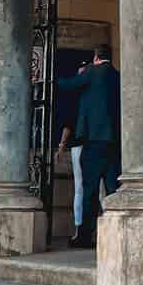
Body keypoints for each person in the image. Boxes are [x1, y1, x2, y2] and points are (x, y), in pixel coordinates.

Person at [58, 44, 121, 248]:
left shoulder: (92, 73)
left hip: (93, 141)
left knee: (89, 190)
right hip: (114, 141)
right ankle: (116, 232)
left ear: (96, 57)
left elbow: (67, 85)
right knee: (113, 188)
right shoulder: (117, 75)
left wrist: (47, 79)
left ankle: (85, 236)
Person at [56, 62, 87, 243]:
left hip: (82, 145)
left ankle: (81, 229)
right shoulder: (82, 97)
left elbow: (68, 124)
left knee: (81, 188)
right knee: (83, 188)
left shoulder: (76, 96)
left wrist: (61, 145)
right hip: (83, 145)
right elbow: (68, 124)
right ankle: (80, 228)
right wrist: (61, 145)